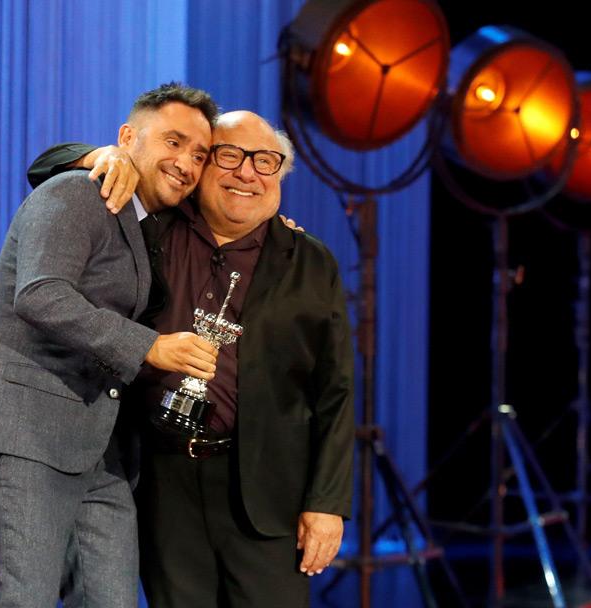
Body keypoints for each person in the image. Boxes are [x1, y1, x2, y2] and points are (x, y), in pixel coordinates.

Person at [27, 111, 355, 607]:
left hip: (268, 496)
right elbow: (43, 168)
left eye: (266, 162)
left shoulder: (311, 261)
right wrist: (102, 155)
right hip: (163, 484)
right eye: (230, 156)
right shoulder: (153, 230)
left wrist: (327, 504)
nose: (248, 173)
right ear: (201, 169)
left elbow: (336, 391)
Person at [0, 83, 221, 608]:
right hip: (26, 433)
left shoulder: (146, 222)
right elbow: (41, 294)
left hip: (101, 449)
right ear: (126, 137)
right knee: (23, 600)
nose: (186, 162)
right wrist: (149, 348)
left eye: (199, 154)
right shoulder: (79, 191)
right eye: (173, 141)